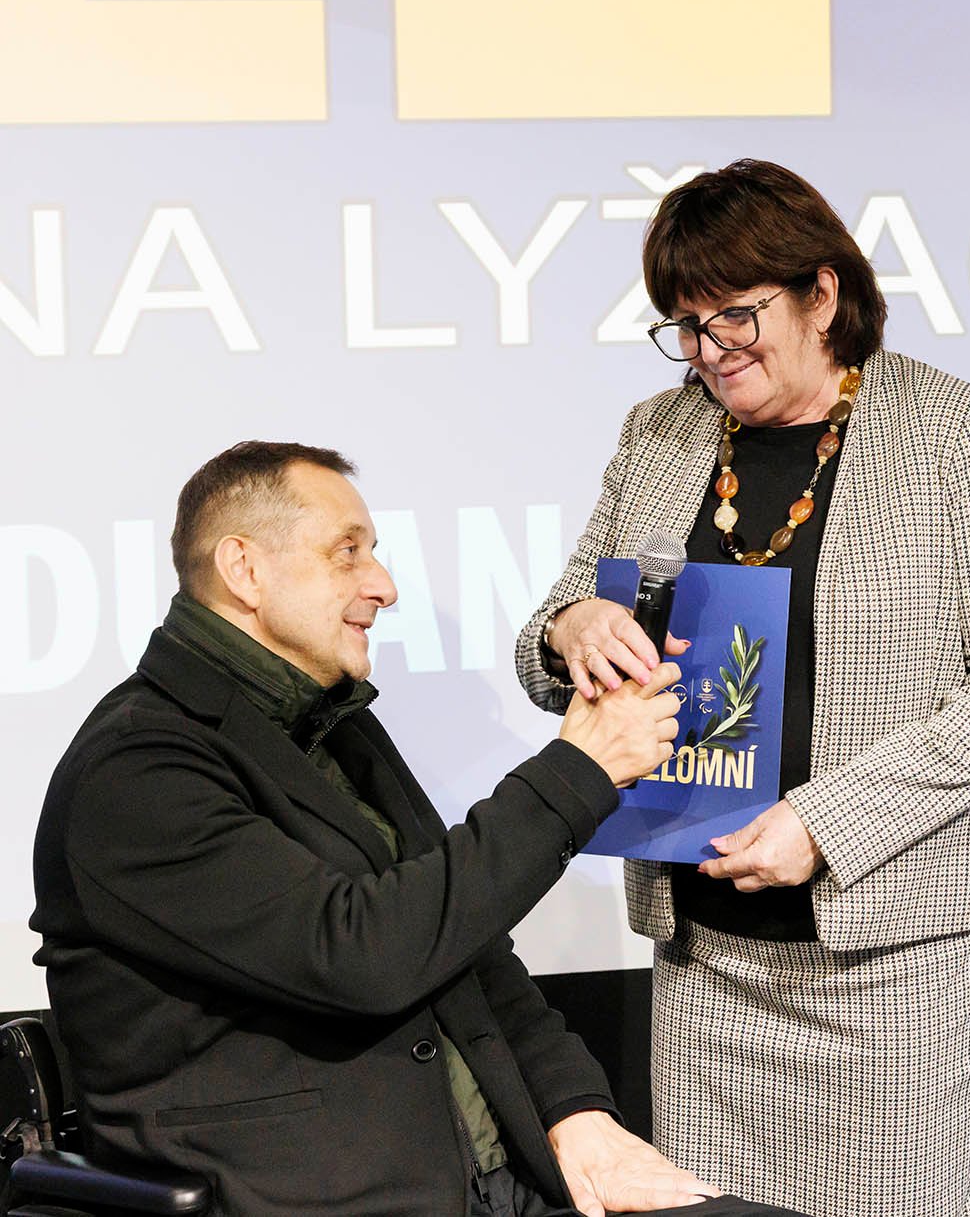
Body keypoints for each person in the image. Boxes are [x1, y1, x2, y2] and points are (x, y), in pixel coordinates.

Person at [516, 158, 970, 1217]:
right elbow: (546, 645)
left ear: (821, 292)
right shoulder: (660, 433)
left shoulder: (949, 427)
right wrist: (569, 628)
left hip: (891, 961)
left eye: (734, 315)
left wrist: (824, 823)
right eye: (685, 324)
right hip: (706, 961)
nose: (708, 349)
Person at [31, 441, 728, 1217]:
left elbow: (470, 947)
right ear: (244, 569)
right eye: (347, 552)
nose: (384, 586)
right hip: (305, 1200)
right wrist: (579, 769)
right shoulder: (137, 769)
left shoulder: (333, 723)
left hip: (490, 1179)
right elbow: (363, 955)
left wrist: (579, 1114)